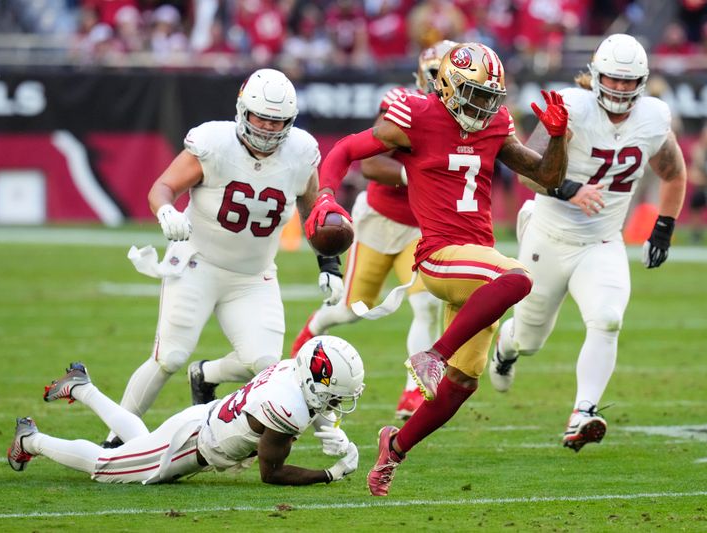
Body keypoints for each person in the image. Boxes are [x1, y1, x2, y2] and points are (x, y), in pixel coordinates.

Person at [304, 42, 568, 496]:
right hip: (441, 256)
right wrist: (326, 195)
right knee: (519, 277)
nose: (483, 106)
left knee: (462, 383)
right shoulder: (415, 115)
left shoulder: (495, 123)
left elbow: (548, 177)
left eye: (491, 96)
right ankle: (433, 355)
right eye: (474, 94)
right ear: (446, 86)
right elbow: (347, 149)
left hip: (478, 263)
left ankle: (395, 447)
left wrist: (559, 138)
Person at [104, 68, 344, 447]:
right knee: (169, 356)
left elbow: (314, 210)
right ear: (242, 110)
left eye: (277, 120)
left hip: (253, 275)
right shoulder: (214, 143)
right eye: (260, 116)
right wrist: (166, 211)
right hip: (197, 264)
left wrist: (329, 264)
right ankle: (117, 437)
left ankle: (207, 375)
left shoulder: (300, 153)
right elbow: (163, 187)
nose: (267, 127)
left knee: (267, 364)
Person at [489, 34, 688, 452]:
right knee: (529, 340)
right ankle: (506, 348)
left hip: (602, 241)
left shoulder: (651, 118)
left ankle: (583, 411)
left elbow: (672, 172)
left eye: (628, 81)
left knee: (608, 318)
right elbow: (528, 170)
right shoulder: (572, 108)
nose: (619, 89)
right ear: (597, 77)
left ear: (642, 82)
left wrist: (664, 226)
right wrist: (568, 189)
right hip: (549, 235)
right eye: (613, 79)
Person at [290, 40, 456, 421]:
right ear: (421, 75)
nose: (445, 82)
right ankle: (303, 342)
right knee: (350, 310)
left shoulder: (466, 118)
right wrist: (416, 175)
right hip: (379, 221)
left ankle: (414, 390)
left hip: (422, 227)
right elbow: (371, 164)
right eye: (437, 74)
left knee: (427, 305)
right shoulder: (404, 105)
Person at [7, 336, 363, 485]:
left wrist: (332, 429)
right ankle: (31, 439)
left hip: (199, 420)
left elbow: (314, 404)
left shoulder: (290, 369)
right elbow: (272, 474)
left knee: (139, 442)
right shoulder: (287, 410)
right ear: (315, 381)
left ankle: (81, 387)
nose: (335, 403)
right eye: (334, 395)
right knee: (106, 467)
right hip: (190, 445)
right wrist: (329, 473)